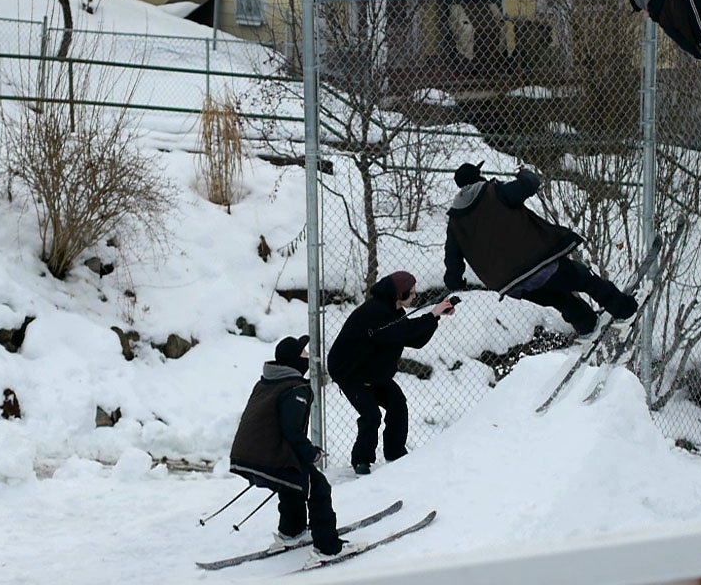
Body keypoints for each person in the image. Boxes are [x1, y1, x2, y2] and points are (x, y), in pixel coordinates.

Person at [443, 161, 638, 340]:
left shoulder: (455, 222)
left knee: (560, 299)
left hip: (511, 284)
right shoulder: (495, 192)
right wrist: (524, 173)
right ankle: (625, 310)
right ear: (479, 177)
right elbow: (531, 184)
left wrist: (456, 283)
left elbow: (453, 264)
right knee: (585, 279)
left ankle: (587, 326)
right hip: (537, 264)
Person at [229, 335, 360, 563]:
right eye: (304, 354)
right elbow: (291, 430)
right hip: (269, 457)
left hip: (247, 456)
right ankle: (328, 549)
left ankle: (292, 532)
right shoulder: (295, 388)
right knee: (318, 487)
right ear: (293, 361)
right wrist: (311, 453)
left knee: (294, 482)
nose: (308, 357)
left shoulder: (266, 383)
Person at [327, 271, 456, 475]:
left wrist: (436, 317)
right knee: (371, 415)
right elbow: (404, 331)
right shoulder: (375, 312)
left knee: (398, 405)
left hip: (376, 374)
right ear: (398, 294)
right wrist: (432, 315)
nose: (414, 296)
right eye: (410, 293)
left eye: (415, 292)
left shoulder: (395, 313)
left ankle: (395, 453)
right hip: (351, 374)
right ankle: (361, 460)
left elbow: (415, 339)